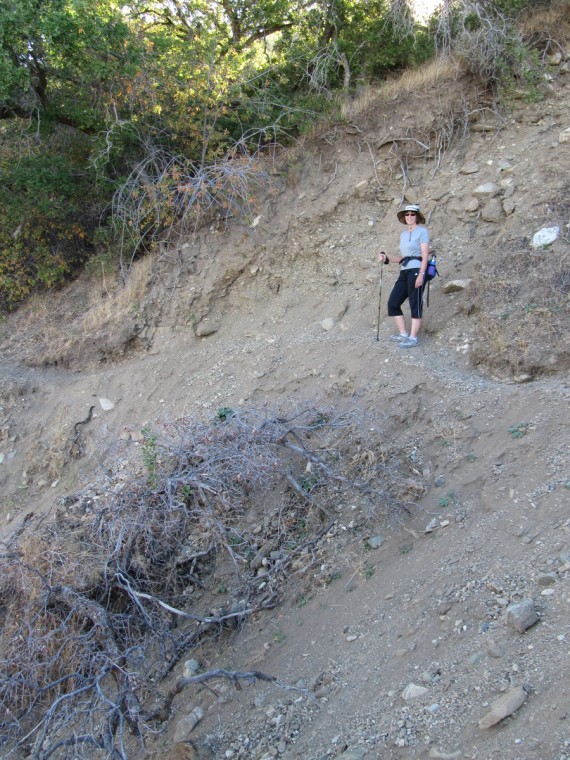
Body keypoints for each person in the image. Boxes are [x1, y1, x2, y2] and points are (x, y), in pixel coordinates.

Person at [378, 203, 429, 348]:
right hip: (404, 270)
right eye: (407, 214)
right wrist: (386, 258)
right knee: (393, 303)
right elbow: (403, 258)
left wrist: (421, 275)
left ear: (417, 217)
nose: (409, 217)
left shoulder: (422, 232)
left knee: (415, 304)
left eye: (413, 214)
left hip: (416, 270)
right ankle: (403, 334)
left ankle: (413, 338)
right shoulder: (404, 234)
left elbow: (424, 256)